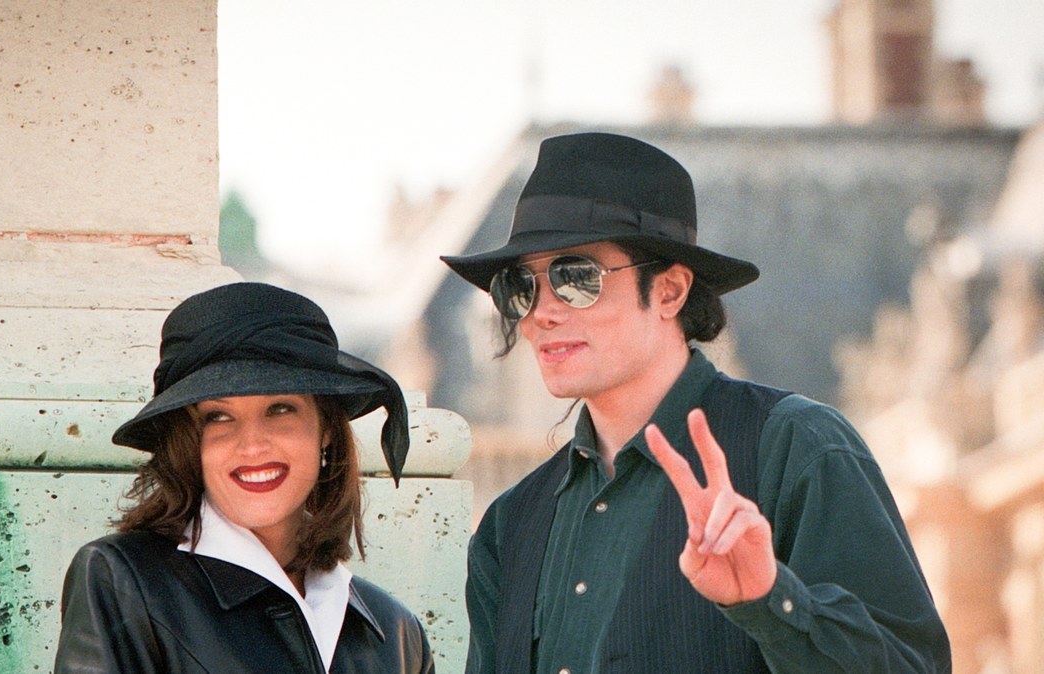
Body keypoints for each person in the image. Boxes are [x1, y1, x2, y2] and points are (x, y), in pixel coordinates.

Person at [441, 132, 950, 673]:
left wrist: (772, 601)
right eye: (519, 287)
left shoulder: (799, 447)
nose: (541, 312)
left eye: (575, 278)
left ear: (669, 291)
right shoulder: (509, 526)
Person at [53, 282, 435, 673]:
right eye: (218, 416)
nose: (252, 445)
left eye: (280, 408)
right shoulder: (124, 581)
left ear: (326, 430)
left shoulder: (398, 635)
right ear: (191, 442)